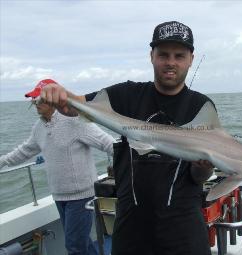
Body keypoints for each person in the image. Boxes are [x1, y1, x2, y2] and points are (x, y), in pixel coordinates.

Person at [40, 21, 215, 255]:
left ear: (191, 58)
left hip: (183, 229)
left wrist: (204, 167)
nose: (171, 62)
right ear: (151, 56)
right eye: (163, 54)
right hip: (131, 227)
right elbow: (76, 107)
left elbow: (200, 176)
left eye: (179, 55)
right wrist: (59, 93)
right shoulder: (126, 94)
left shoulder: (202, 107)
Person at [0, 79, 117, 255]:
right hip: (59, 196)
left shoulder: (75, 122)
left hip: (81, 197)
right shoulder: (39, 128)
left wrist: (129, 165)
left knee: (74, 246)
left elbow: (109, 144)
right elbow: (24, 151)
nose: (35, 103)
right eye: (33, 100)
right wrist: (1, 161)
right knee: (82, 243)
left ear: (53, 101)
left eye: (38, 99)